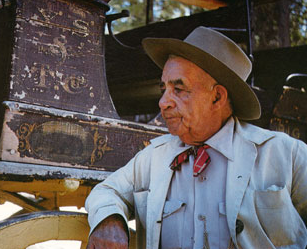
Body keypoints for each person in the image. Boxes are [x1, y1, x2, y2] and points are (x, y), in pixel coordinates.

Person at [85, 26, 307, 249]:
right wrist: (109, 219)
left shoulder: (287, 154)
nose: (163, 102)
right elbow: (107, 191)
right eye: (164, 88)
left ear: (217, 97)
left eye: (179, 89)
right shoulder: (153, 158)